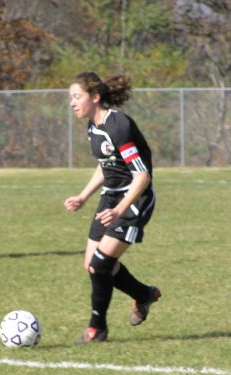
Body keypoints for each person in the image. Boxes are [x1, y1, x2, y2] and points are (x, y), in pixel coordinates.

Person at [64, 72, 161, 343]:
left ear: (95, 97)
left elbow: (141, 176)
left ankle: (97, 329)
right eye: (71, 97)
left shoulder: (118, 125)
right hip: (109, 199)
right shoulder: (93, 127)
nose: (72, 102)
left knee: (100, 266)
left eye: (77, 97)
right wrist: (83, 196)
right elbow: (105, 165)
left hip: (134, 199)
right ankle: (143, 294)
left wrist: (120, 210)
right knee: (92, 265)